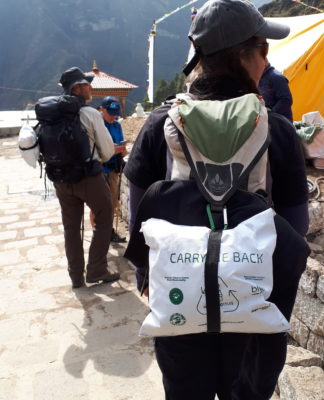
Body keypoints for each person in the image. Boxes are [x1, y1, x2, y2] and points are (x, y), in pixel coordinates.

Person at [124, 1, 309, 398]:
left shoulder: (161, 125)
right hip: (254, 300)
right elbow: (295, 227)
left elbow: (138, 214)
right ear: (246, 55)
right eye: (264, 48)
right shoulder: (275, 129)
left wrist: (147, 279)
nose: (266, 60)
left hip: (179, 297)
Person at [56, 67, 120, 288]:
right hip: (88, 178)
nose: (90, 87)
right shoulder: (90, 114)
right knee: (104, 216)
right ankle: (96, 269)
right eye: (86, 84)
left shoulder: (52, 114)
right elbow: (108, 151)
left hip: (61, 180)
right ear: (77, 88)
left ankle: (76, 276)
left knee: (71, 228)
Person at [90, 96, 128, 243]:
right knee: (98, 204)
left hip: (113, 169)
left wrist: (122, 150)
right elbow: (94, 149)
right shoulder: (96, 125)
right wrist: (112, 149)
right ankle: (97, 231)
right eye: (111, 113)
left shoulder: (117, 125)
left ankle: (109, 231)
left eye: (116, 113)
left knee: (112, 203)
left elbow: (119, 144)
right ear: (102, 109)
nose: (114, 116)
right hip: (99, 170)